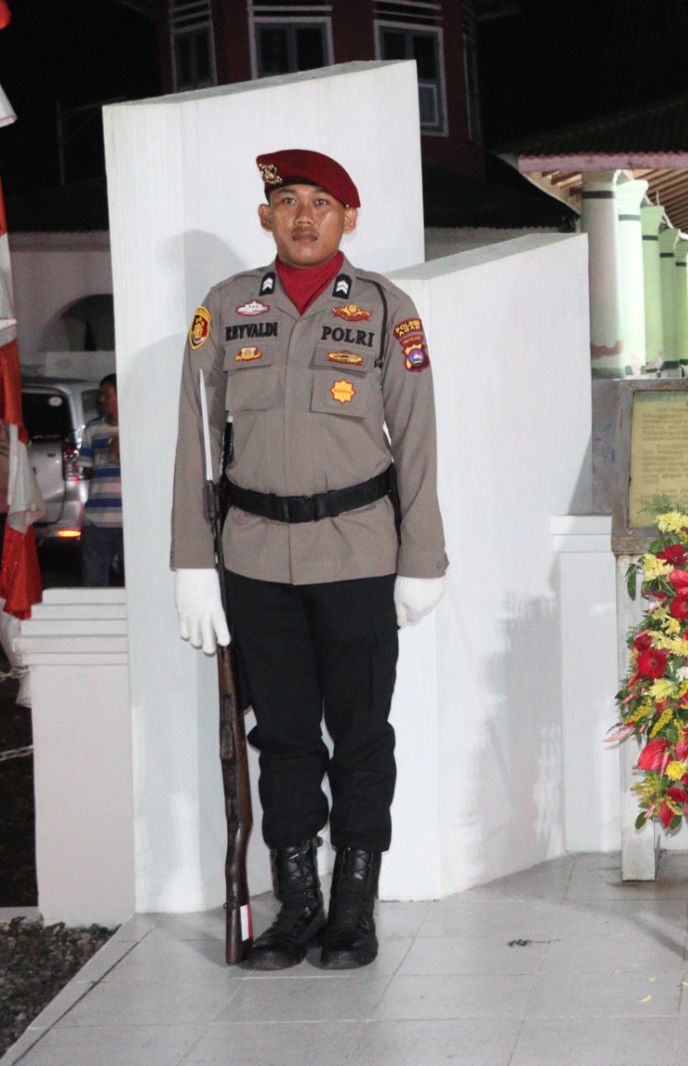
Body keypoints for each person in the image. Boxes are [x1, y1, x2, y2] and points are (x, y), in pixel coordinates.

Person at [170, 149, 448, 971]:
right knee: (284, 738)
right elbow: (194, 442)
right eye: (287, 201)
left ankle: (353, 910)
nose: (302, 217)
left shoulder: (387, 311)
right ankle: (296, 906)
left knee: (361, 735)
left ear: (348, 218)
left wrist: (422, 556)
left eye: (321, 203)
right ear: (264, 215)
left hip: (358, 552)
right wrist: (193, 560)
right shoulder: (223, 309)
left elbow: (420, 440)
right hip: (254, 559)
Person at [80, 374, 122, 586]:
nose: (102, 400)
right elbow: (87, 470)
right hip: (97, 521)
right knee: (94, 585)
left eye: (107, 395)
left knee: (138, 585)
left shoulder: (138, 428)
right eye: (101, 396)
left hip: (131, 522)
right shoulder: (92, 429)